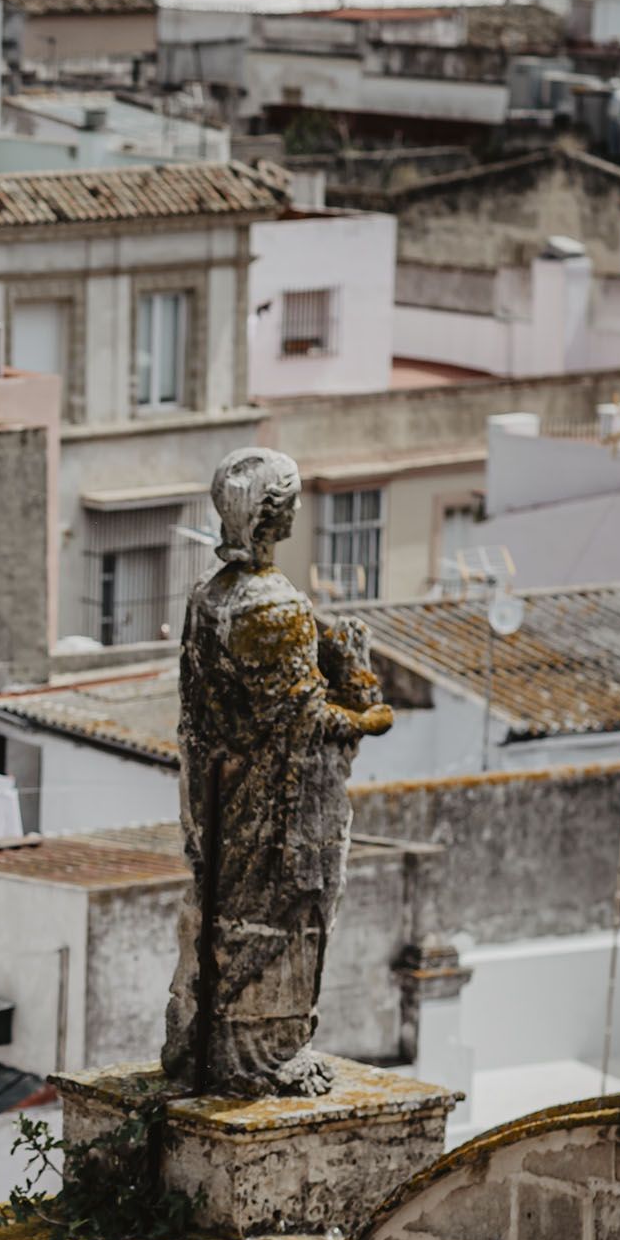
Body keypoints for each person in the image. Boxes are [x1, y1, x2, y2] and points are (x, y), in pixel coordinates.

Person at [161, 448, 395, 1096]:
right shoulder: (277, 609)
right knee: (286, 920)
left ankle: (209, 1042)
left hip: (221, 799)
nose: (296, 509)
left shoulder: (208, 598)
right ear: (271, 515)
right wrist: (371, 707)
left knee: (226, 916)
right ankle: (261, 1055)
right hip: (276, 812)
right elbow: (310, 721)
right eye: (288, 500)